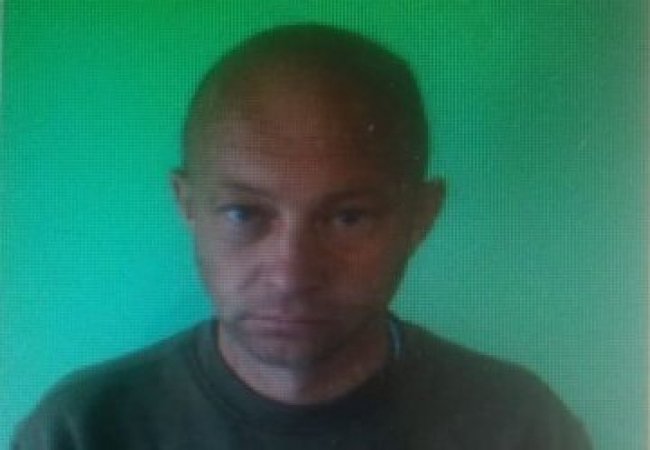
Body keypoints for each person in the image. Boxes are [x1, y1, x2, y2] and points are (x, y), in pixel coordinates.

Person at [12, 23, 591, 449]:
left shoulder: (519, 428)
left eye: (348, 218)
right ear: (188, 206)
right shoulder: (84, 431)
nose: (291, 274)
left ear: (421, 217)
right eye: (244, 213)